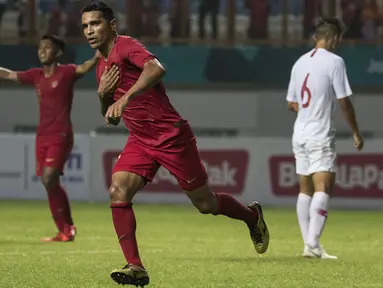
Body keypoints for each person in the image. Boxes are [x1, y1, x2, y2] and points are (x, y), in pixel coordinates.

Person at [81, 1, 269, 286]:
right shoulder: (101, 67)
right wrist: (101, 96)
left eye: (95, 23)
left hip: (170, 135)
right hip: (140, 140)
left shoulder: (127, 46)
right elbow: (112, 118)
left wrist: (124, 97)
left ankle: (251, 216)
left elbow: (156, 69)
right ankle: (136, 267)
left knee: (205, 203)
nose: (89, 31)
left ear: (112, 25)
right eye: (85, 26)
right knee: (118, 191)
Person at [0, 34, 99, 242]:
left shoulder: (66, 72)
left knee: (49, 178)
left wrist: (99, 54)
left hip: (61, 133)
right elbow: (9, 75)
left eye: (47, 47)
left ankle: (68, 227)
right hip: (42, 135)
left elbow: (85, 67)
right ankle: (64, 229)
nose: (42, 51)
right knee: (48, 183)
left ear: (58, 52)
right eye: (40, 48)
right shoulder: (35, 75)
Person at [286, 17, 364, 259]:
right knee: (325, 186)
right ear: (333, 39)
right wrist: (355, 131)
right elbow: (344, 102)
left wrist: (309, 110)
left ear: (315, 38)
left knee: (305, 189)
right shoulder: (335, 62)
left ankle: (308, 244)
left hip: (300, 132)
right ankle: (312, 244)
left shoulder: (299, 63)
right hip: (319, 132)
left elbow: (291, 103)